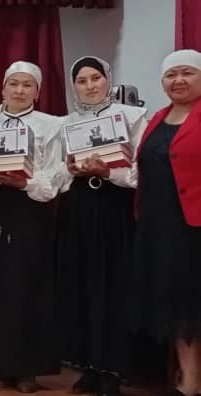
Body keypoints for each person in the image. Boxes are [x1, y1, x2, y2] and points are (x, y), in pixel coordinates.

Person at [0, 61, 63, 393]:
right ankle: (2, 363)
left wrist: (25, 182)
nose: (19, 91)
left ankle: (27, 368)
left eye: (27, 85)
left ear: (37, 91)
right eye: (14, 84)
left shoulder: (51, 125)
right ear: (3, 88)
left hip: (29, 208)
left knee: (27, 286)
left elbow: (55, 174)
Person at [55, 56, 146, 396]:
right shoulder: (66, 123)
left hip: (113, 208)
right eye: (81, 80)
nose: (90, 85)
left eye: (96, 78)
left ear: (108, 79)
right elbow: (56, 171)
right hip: (78, 207)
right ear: (73, 86)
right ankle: (89, 366)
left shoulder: (132, 117)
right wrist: (69, 169)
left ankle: (113, 369)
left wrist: (107, 172)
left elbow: (139, 172)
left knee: (113, 286)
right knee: (82, 285)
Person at [129, 49, 201, 396]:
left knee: (191, 303)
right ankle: (185, 374)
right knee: (171, 302)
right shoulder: (158, 117)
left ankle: (191, 380)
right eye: (171, 75)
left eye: (187, 73)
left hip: (193, 227)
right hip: (157, 226)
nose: (178, 81)